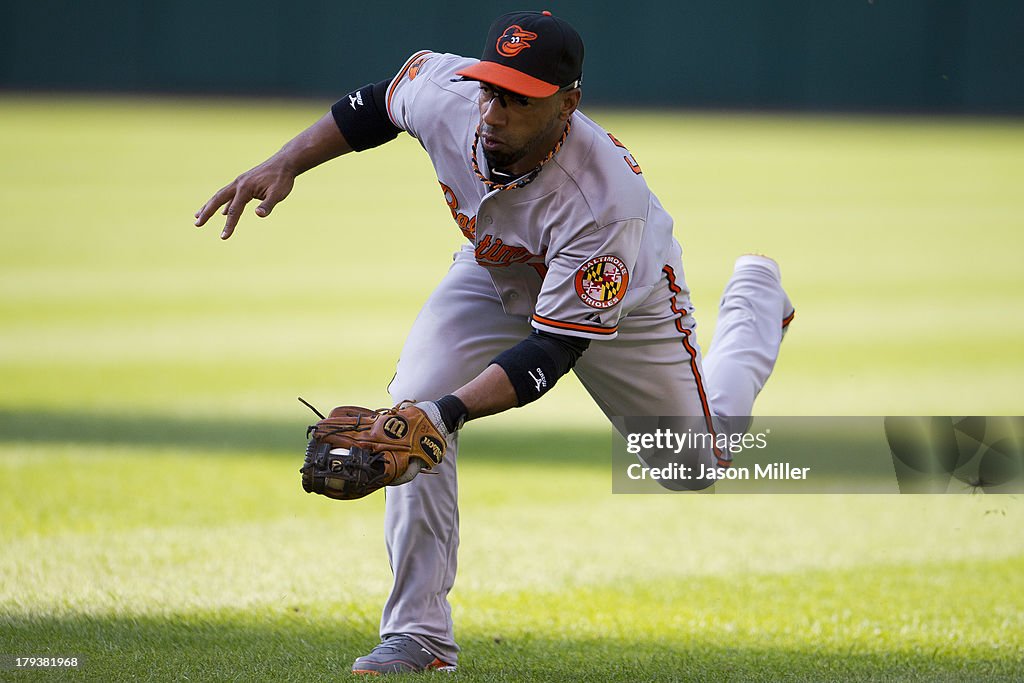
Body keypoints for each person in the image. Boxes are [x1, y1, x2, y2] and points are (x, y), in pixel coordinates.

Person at [195, 10, 793, 675]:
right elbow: (373, 108)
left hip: (624, 299)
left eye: (520, 98)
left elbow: (552, 353)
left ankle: (756, 303)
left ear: (568, 103)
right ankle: (418, 637)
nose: (496, 110)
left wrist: (445, 415)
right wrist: (286, 162)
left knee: (691, 465)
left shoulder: (604, 201)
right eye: (491, 88)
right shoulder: (448, 94)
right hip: (495, 269)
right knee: (412, 404)